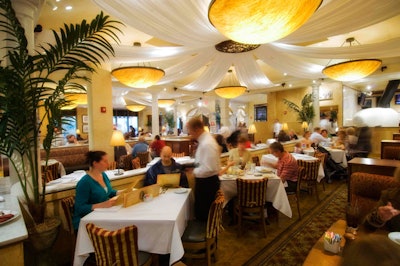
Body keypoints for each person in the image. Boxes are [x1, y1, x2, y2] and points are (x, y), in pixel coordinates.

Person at [72, 151, 120, 231]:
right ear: (95, 163)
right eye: (105, 161)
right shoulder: (85, 182)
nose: (108, 164)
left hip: (101, 215)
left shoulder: (103, 175)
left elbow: (108, 192)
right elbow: (80, 208)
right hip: (86, 221)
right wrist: (102, 205)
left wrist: (120, 192)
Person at [186, 117, 220, 221]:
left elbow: (209, 168)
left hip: (207, 184)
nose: (190, 134)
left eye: (190, 131)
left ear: (197, 129)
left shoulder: (207, 143)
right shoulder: (205, 140)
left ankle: (204, 235)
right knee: (202, 213)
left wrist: (194, 171)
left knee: (203, 215)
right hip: (206, 182)